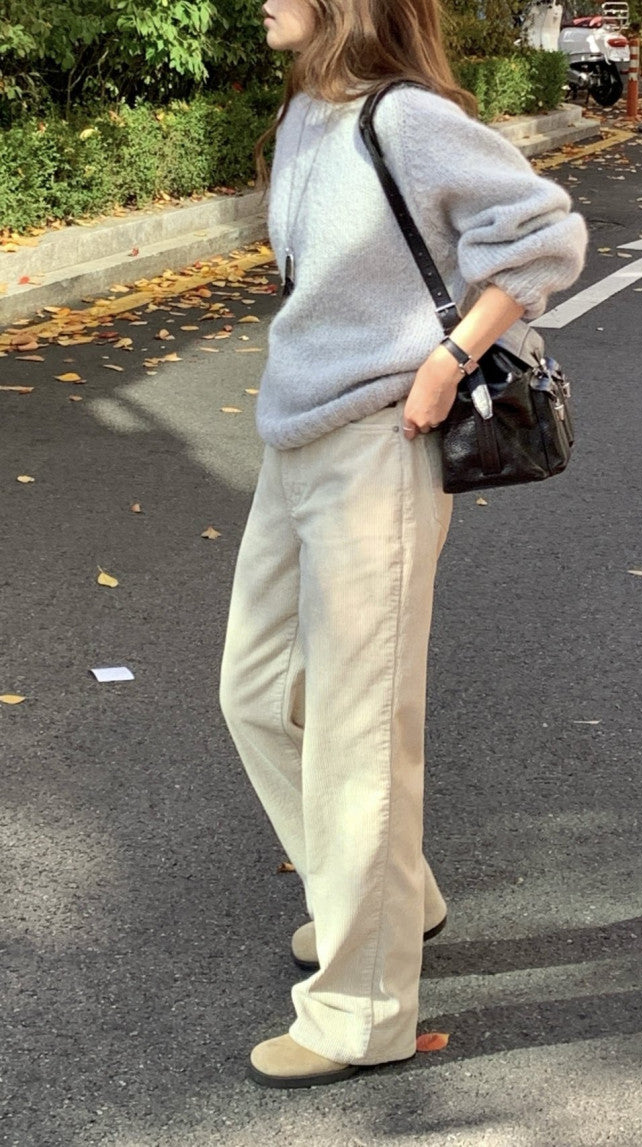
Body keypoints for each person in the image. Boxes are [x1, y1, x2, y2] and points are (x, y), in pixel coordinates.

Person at [219, 0, 588, 1090]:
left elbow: (545, 234)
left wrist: (448, 357)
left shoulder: (408, 118)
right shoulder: (307, 112)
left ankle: (359, 1011)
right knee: (254, 691)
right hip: (297, 433)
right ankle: (389, 898)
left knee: (357, 729)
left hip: (382, 441)